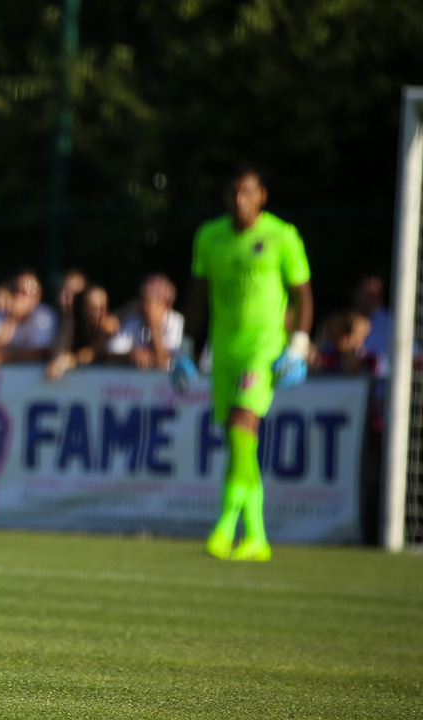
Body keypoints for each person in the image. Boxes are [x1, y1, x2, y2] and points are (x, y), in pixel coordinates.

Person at [171, 164, 313, 562]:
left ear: (262, 196)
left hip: (263, 349)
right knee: (239, 443)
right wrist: (187, 349)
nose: (240, 200)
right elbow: (197, 295)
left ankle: (223, 526)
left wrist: (298, 344)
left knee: (240, 425)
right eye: (233, 192)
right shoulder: (209, 236)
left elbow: (303, 294)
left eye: (247, 192)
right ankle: (257, 536)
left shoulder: (282, 236)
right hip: (224, 350)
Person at [0, 271, 58, 375]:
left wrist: (3, 357)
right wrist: (12, 318)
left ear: (37, 297)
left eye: (24, 292)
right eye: (15, 291)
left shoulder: (45, 316)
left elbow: (40, 353)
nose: (18, 296)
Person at [106, 273, 184, 371]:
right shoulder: (134, 319)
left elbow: (164, 361)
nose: (148, 307)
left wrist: (154, 324)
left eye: (154, 301)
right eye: (145, 300)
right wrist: (131, 354)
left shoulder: (175, 321)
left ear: (167, 304)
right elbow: (110, 354)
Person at [45, 284, 118, 380]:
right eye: (93, 308)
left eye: (102, 308)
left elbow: (89, 355)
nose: (99, 313)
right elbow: (58, 351)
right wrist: (59, 361)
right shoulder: (71, 323)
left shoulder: (110, 326)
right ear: (83, 308)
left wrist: (71, 360)